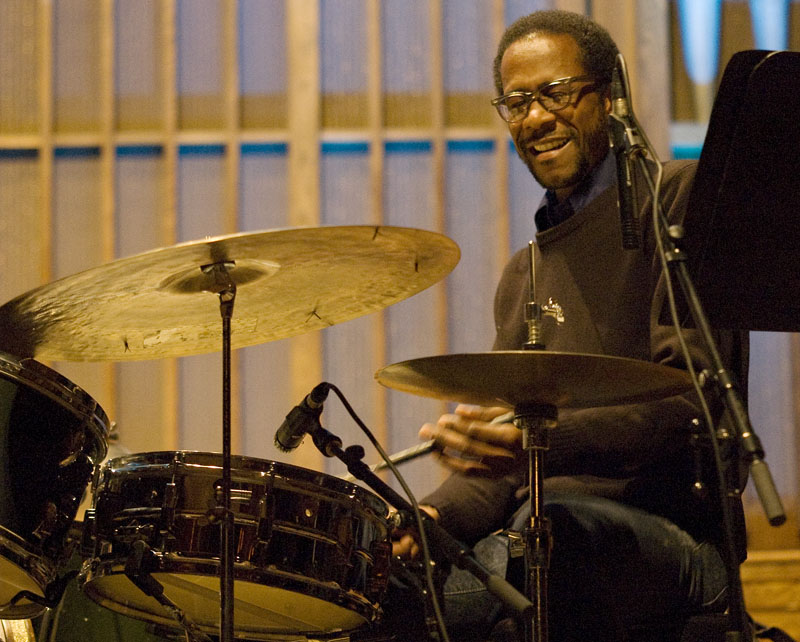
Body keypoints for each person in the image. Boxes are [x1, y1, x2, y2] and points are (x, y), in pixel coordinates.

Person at [383, 9, 750, 642]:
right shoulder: (523, 274)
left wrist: (538, 441)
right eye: (517, 101)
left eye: (556, 93)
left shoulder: (677, 202)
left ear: (609, 98)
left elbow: (691, 402)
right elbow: (501, 475)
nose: (535, 118)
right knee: (380, 585)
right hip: (541, 527)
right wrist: (433, 513)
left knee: (549, 535)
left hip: (669, 534)